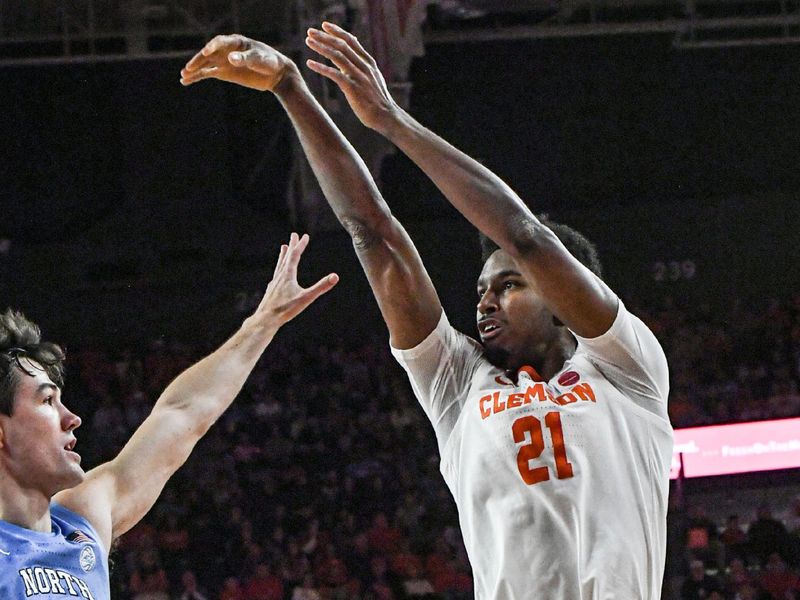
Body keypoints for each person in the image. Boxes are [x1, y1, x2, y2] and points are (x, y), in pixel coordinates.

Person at [180, 23, 673, 599]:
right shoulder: (459, 386)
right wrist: (290, 87)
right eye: (483, 289)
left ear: (566, 301)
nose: (485, 301)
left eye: (509, 285)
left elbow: (526, 237)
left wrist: (391, 120)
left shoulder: (626, 371)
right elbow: (372, 231)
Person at [0, 233, 338, 598]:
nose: (72, 417)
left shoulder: (81, 520)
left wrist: (262, 324)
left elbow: (182, 414)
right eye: (48, 401)